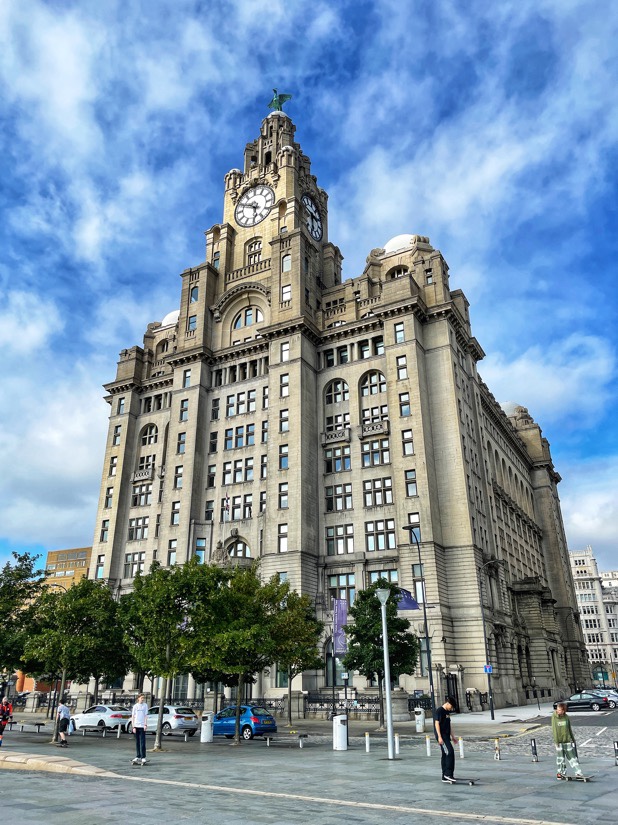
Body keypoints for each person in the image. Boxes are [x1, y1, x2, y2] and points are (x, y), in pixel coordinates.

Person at [552, 702, 584, 780]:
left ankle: (578, 773)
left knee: (572, 757)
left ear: (563, 711)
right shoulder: (554, 717)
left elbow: (569, 728)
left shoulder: (566, 717)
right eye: (557, 709)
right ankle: (560, 773)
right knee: (560, 759)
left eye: (559, 710)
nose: (558, 711)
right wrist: (556, 741)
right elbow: (554, 729)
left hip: (567, 741)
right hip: (559, 742)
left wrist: (573, 739)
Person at [434, 696, 458, 782]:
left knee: (445, 754)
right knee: (449, 752)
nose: (451, 709)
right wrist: (439, 737)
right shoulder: (439, 711)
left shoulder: (447, 712)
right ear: (448, 703)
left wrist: (453, 736)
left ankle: (444, 776)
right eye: (451, 707)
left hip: (447, 735)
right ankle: (448, 774)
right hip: (442, 736)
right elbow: (436, 724)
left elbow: (449, 725)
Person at [131, 694, 149, 765]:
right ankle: (138, 756)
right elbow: (133, 717)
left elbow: (145, 716)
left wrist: (145, 724)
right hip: (136, 725)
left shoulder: (145, 706)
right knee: (137, 742)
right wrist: (133, 727)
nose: (142, 699)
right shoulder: (135, 706)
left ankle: (143, 757)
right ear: (138, 698)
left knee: (142, 742)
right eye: (141, 698)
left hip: (142, 726)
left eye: (143, 698)